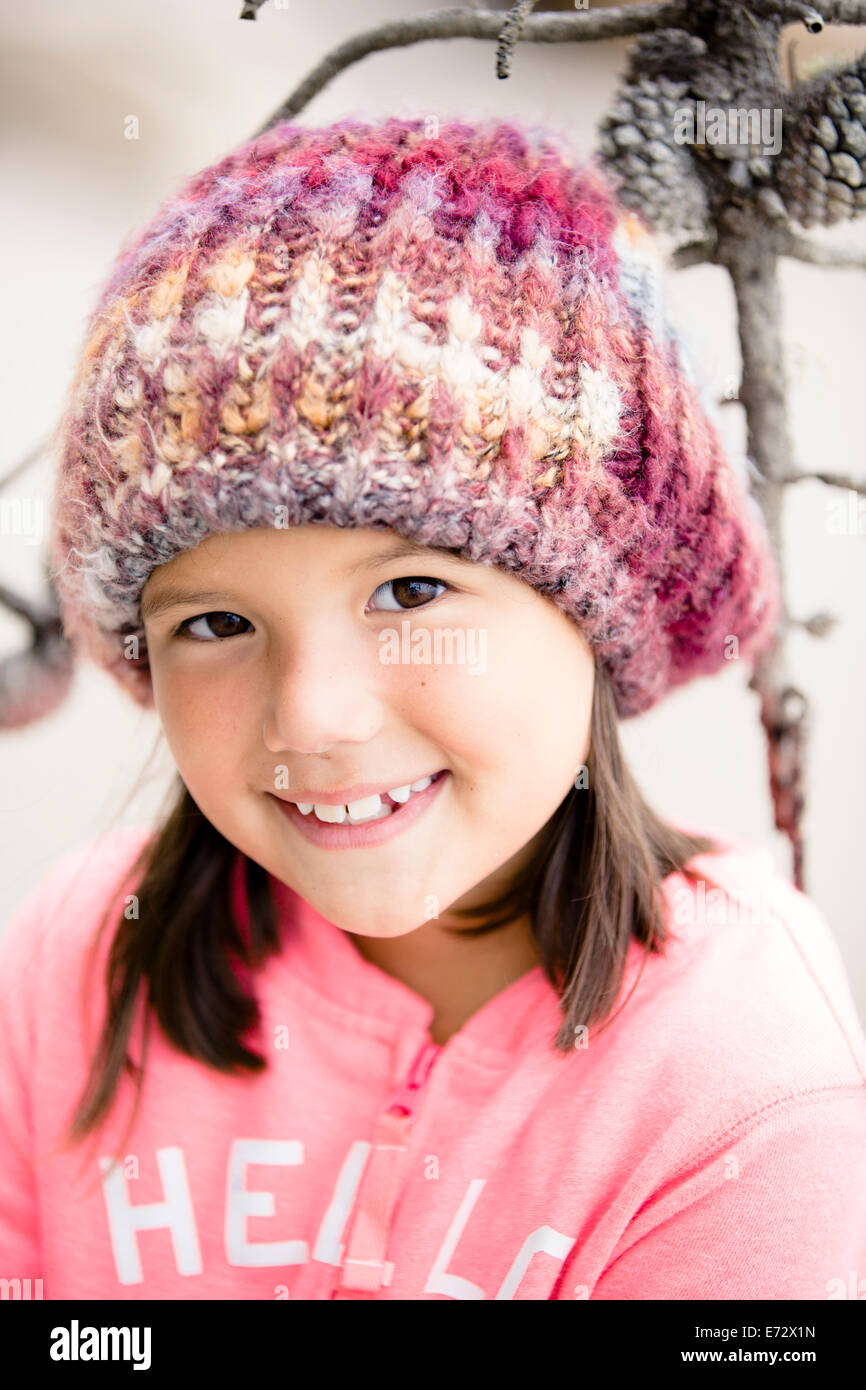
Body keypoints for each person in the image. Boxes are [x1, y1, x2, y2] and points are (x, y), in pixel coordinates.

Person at [1, 114, 864, 1302]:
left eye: (410, 591)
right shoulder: (74, 966)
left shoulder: (733, 1073)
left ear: (595, 606)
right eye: (214, 623)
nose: (313, 717)